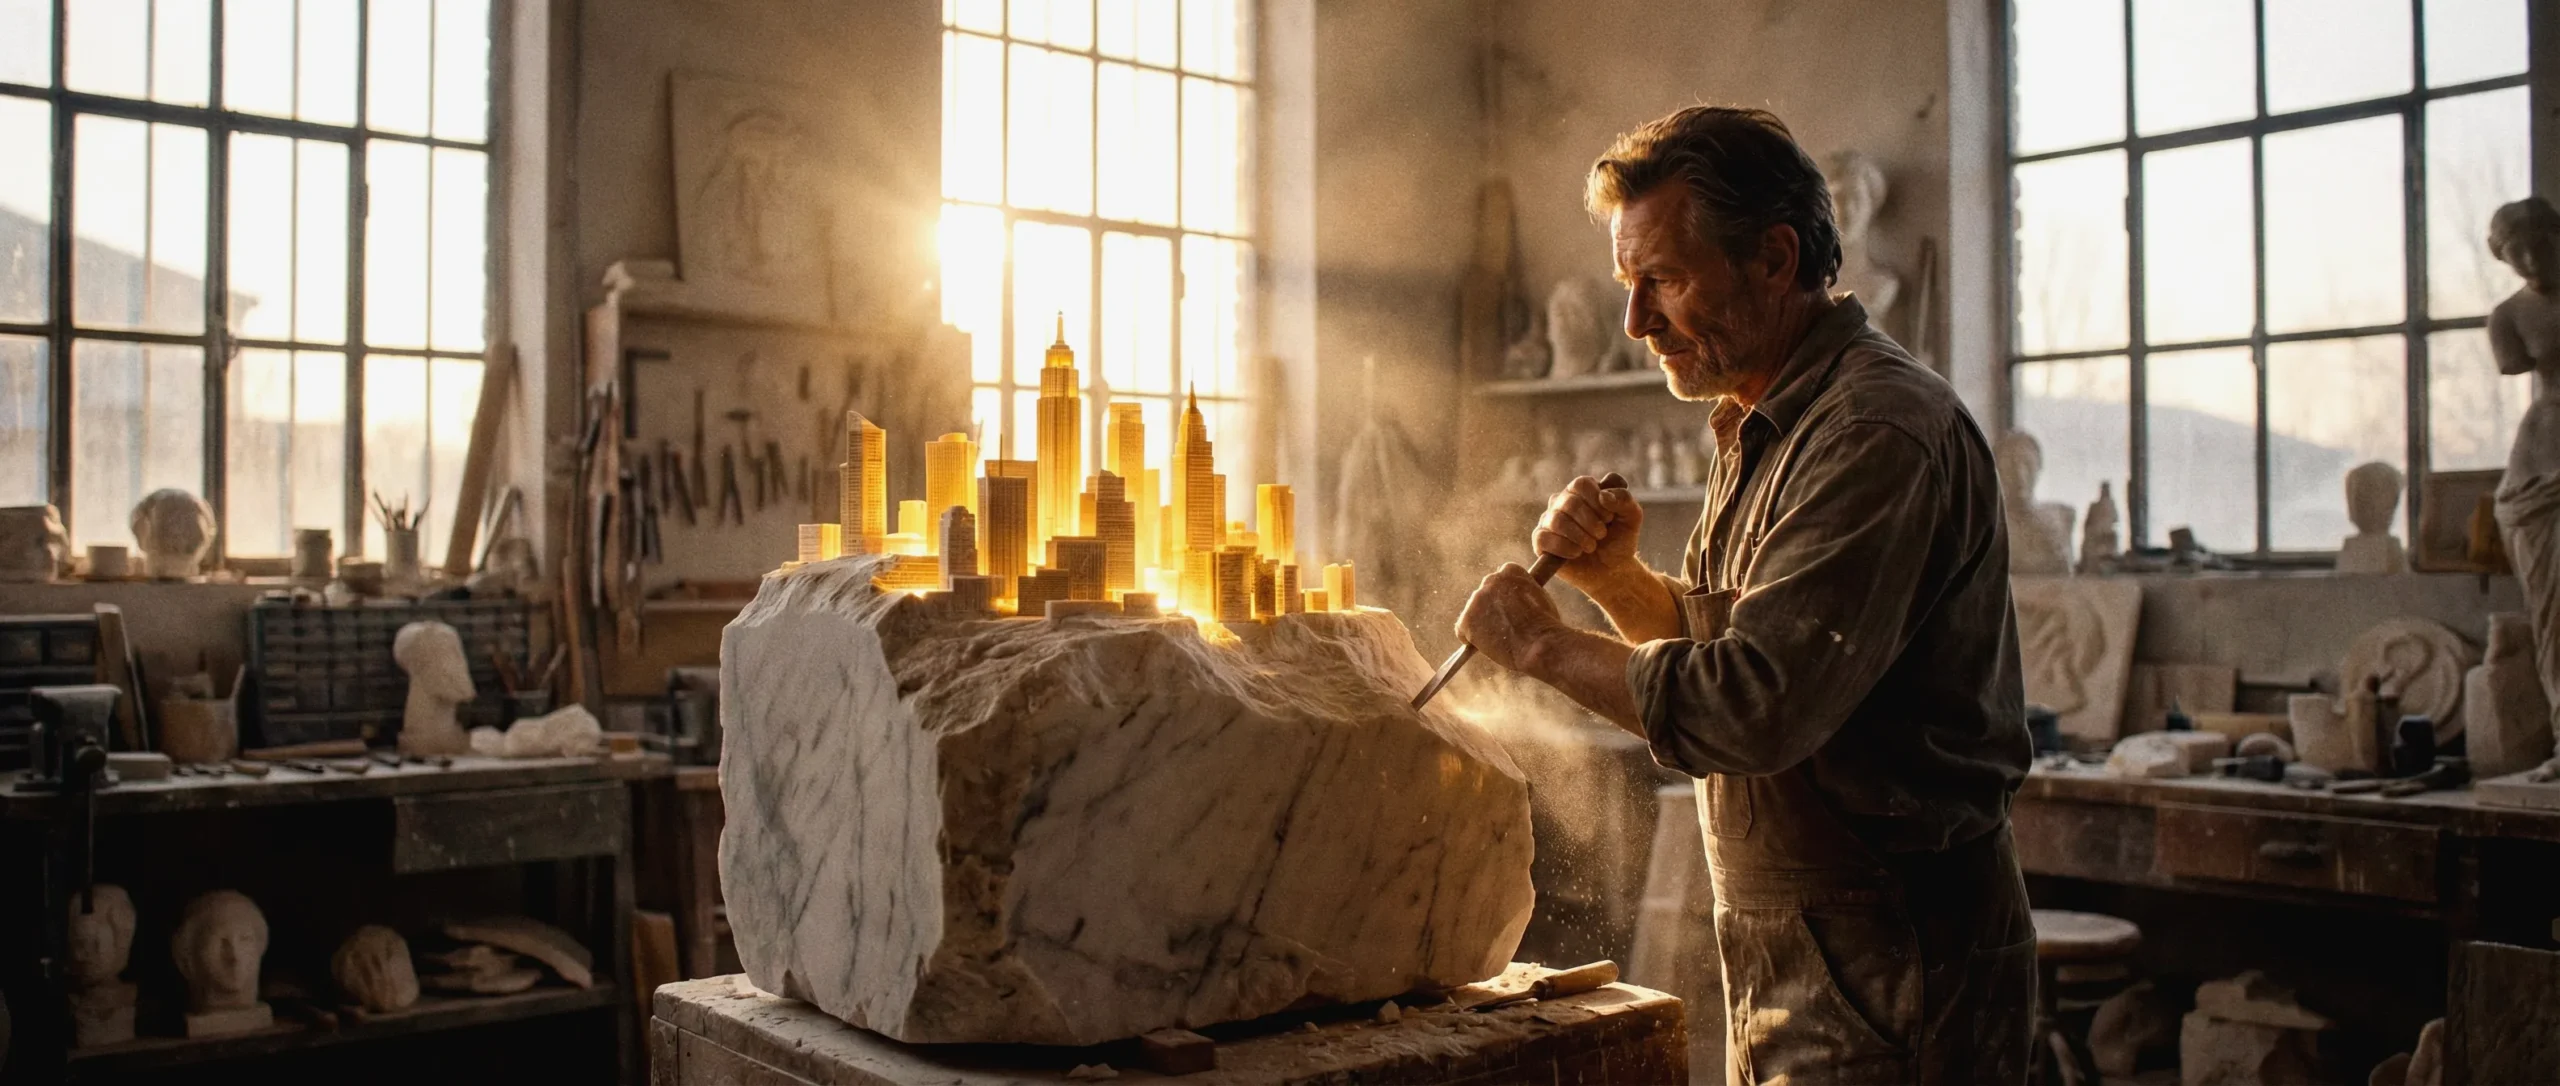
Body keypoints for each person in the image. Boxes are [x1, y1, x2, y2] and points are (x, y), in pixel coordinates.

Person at [1453, 105, 2034, 1084]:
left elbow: (1756, 705)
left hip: (1897, 963)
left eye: (1666, 281)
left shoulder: (1873, 431)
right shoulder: (1766, 418)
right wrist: (1616, 582)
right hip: (1810, 951)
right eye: (1629, 286)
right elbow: (1734, 650)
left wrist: (1542, 646)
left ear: (1773, 257)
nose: (1636, 323)